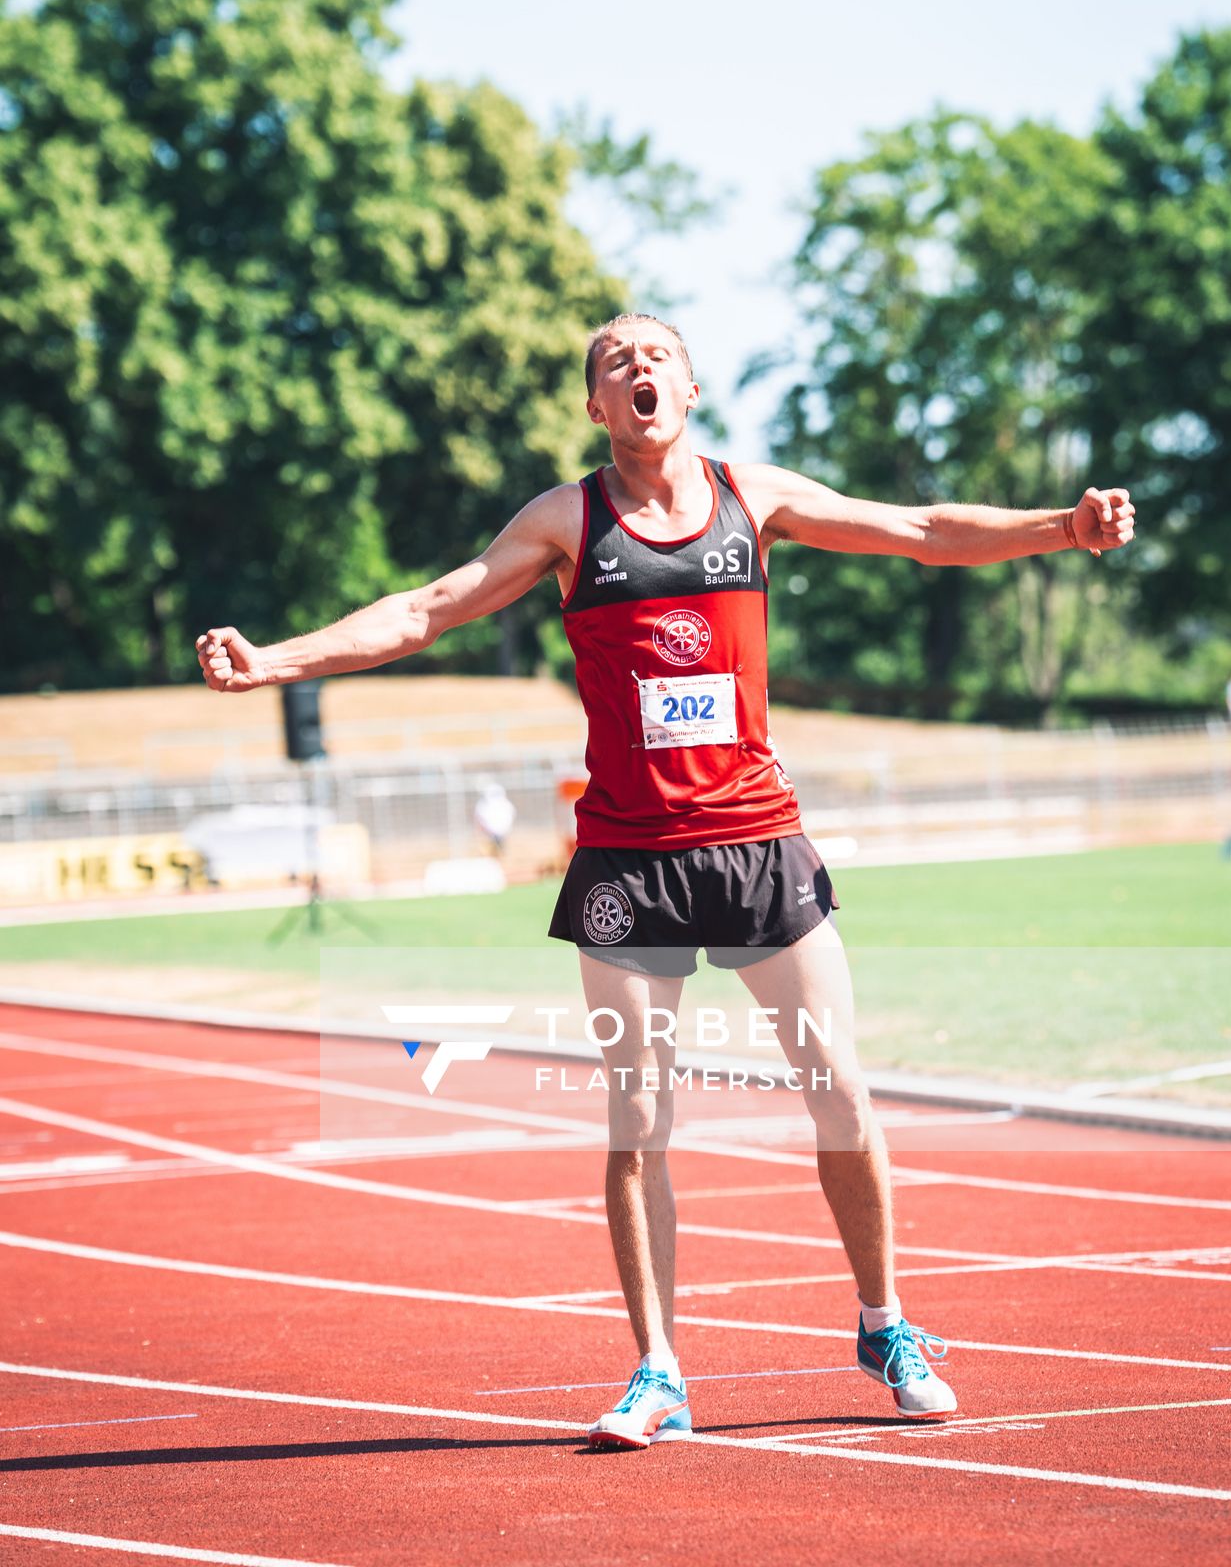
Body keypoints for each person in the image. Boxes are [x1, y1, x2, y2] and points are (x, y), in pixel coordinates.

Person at [196, 311, 1137, 1450]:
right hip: (626, 862)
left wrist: (1060, 527)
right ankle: (656, 1370)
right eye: (611, 361)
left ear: (688, 383)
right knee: (638, 1116)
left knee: (837, 1086)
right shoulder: (565, 520)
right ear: (598, 408)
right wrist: (278, 661)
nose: (634, 367)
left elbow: (923, 528)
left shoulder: (757, 498)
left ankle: (884, 1325)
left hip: (759, 844)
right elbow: (424, 610)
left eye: (652, 354)